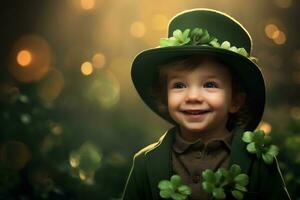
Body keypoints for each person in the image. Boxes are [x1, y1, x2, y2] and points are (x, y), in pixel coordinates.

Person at [122, 8, 291, 200]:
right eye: (179, 85)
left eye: (210, 84)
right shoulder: (146, 163)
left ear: (235, 101)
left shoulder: (258, 163)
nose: (193, 96)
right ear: (165, 95)